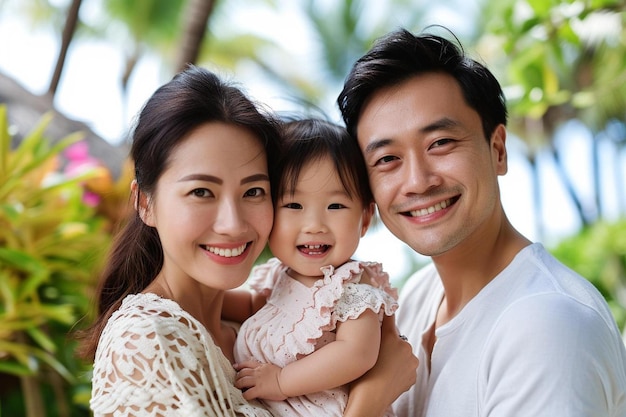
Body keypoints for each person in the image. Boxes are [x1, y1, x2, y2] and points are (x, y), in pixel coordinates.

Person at [77, 66, 416, 416]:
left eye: (253, 191)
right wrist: (371, 399)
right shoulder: (147, 340)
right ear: (145, 203)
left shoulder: (252, 323)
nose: (232, 224)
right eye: (201, 191)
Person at [337, 27, 626, 417]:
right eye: (387, 159)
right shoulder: (418, 296)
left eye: (440, 143)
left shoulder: (546, 325)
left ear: (498, 150)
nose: (418, 181)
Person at [224, 118, 399, 417]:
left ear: (366, 218)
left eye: (335, 206)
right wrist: (211, 299)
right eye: (293, 206)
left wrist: (281, 381)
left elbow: (356, 353)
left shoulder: (353, 283)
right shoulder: (279, 274)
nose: (314, 225)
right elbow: (257, 305)